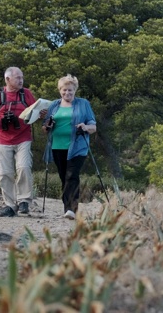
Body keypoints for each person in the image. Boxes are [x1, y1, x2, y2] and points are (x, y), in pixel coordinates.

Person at [0, 67, 43, 217]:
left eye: (22, 77)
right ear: (7, 79)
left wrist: (41, 114)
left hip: (23, 137)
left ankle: (24, 201)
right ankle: (9, 205)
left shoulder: (26, 94)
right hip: (2, 139)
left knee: (24, 167)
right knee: (4, 172)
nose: (21, 80)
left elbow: (36, 112)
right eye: (17, 78)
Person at [42, 74, 96, 220]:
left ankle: (71, 209)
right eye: (64, 90)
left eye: (70, 90)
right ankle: (68, 207)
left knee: (72, 176)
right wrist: (47, 125)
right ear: (60, 90)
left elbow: (93, 126)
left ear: (75, 90)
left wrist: (85, 127)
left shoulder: (83, 103)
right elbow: (45, 127)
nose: (67, 93)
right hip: (57, 146)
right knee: (63, 177)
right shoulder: (54, 105)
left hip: (77, 146)